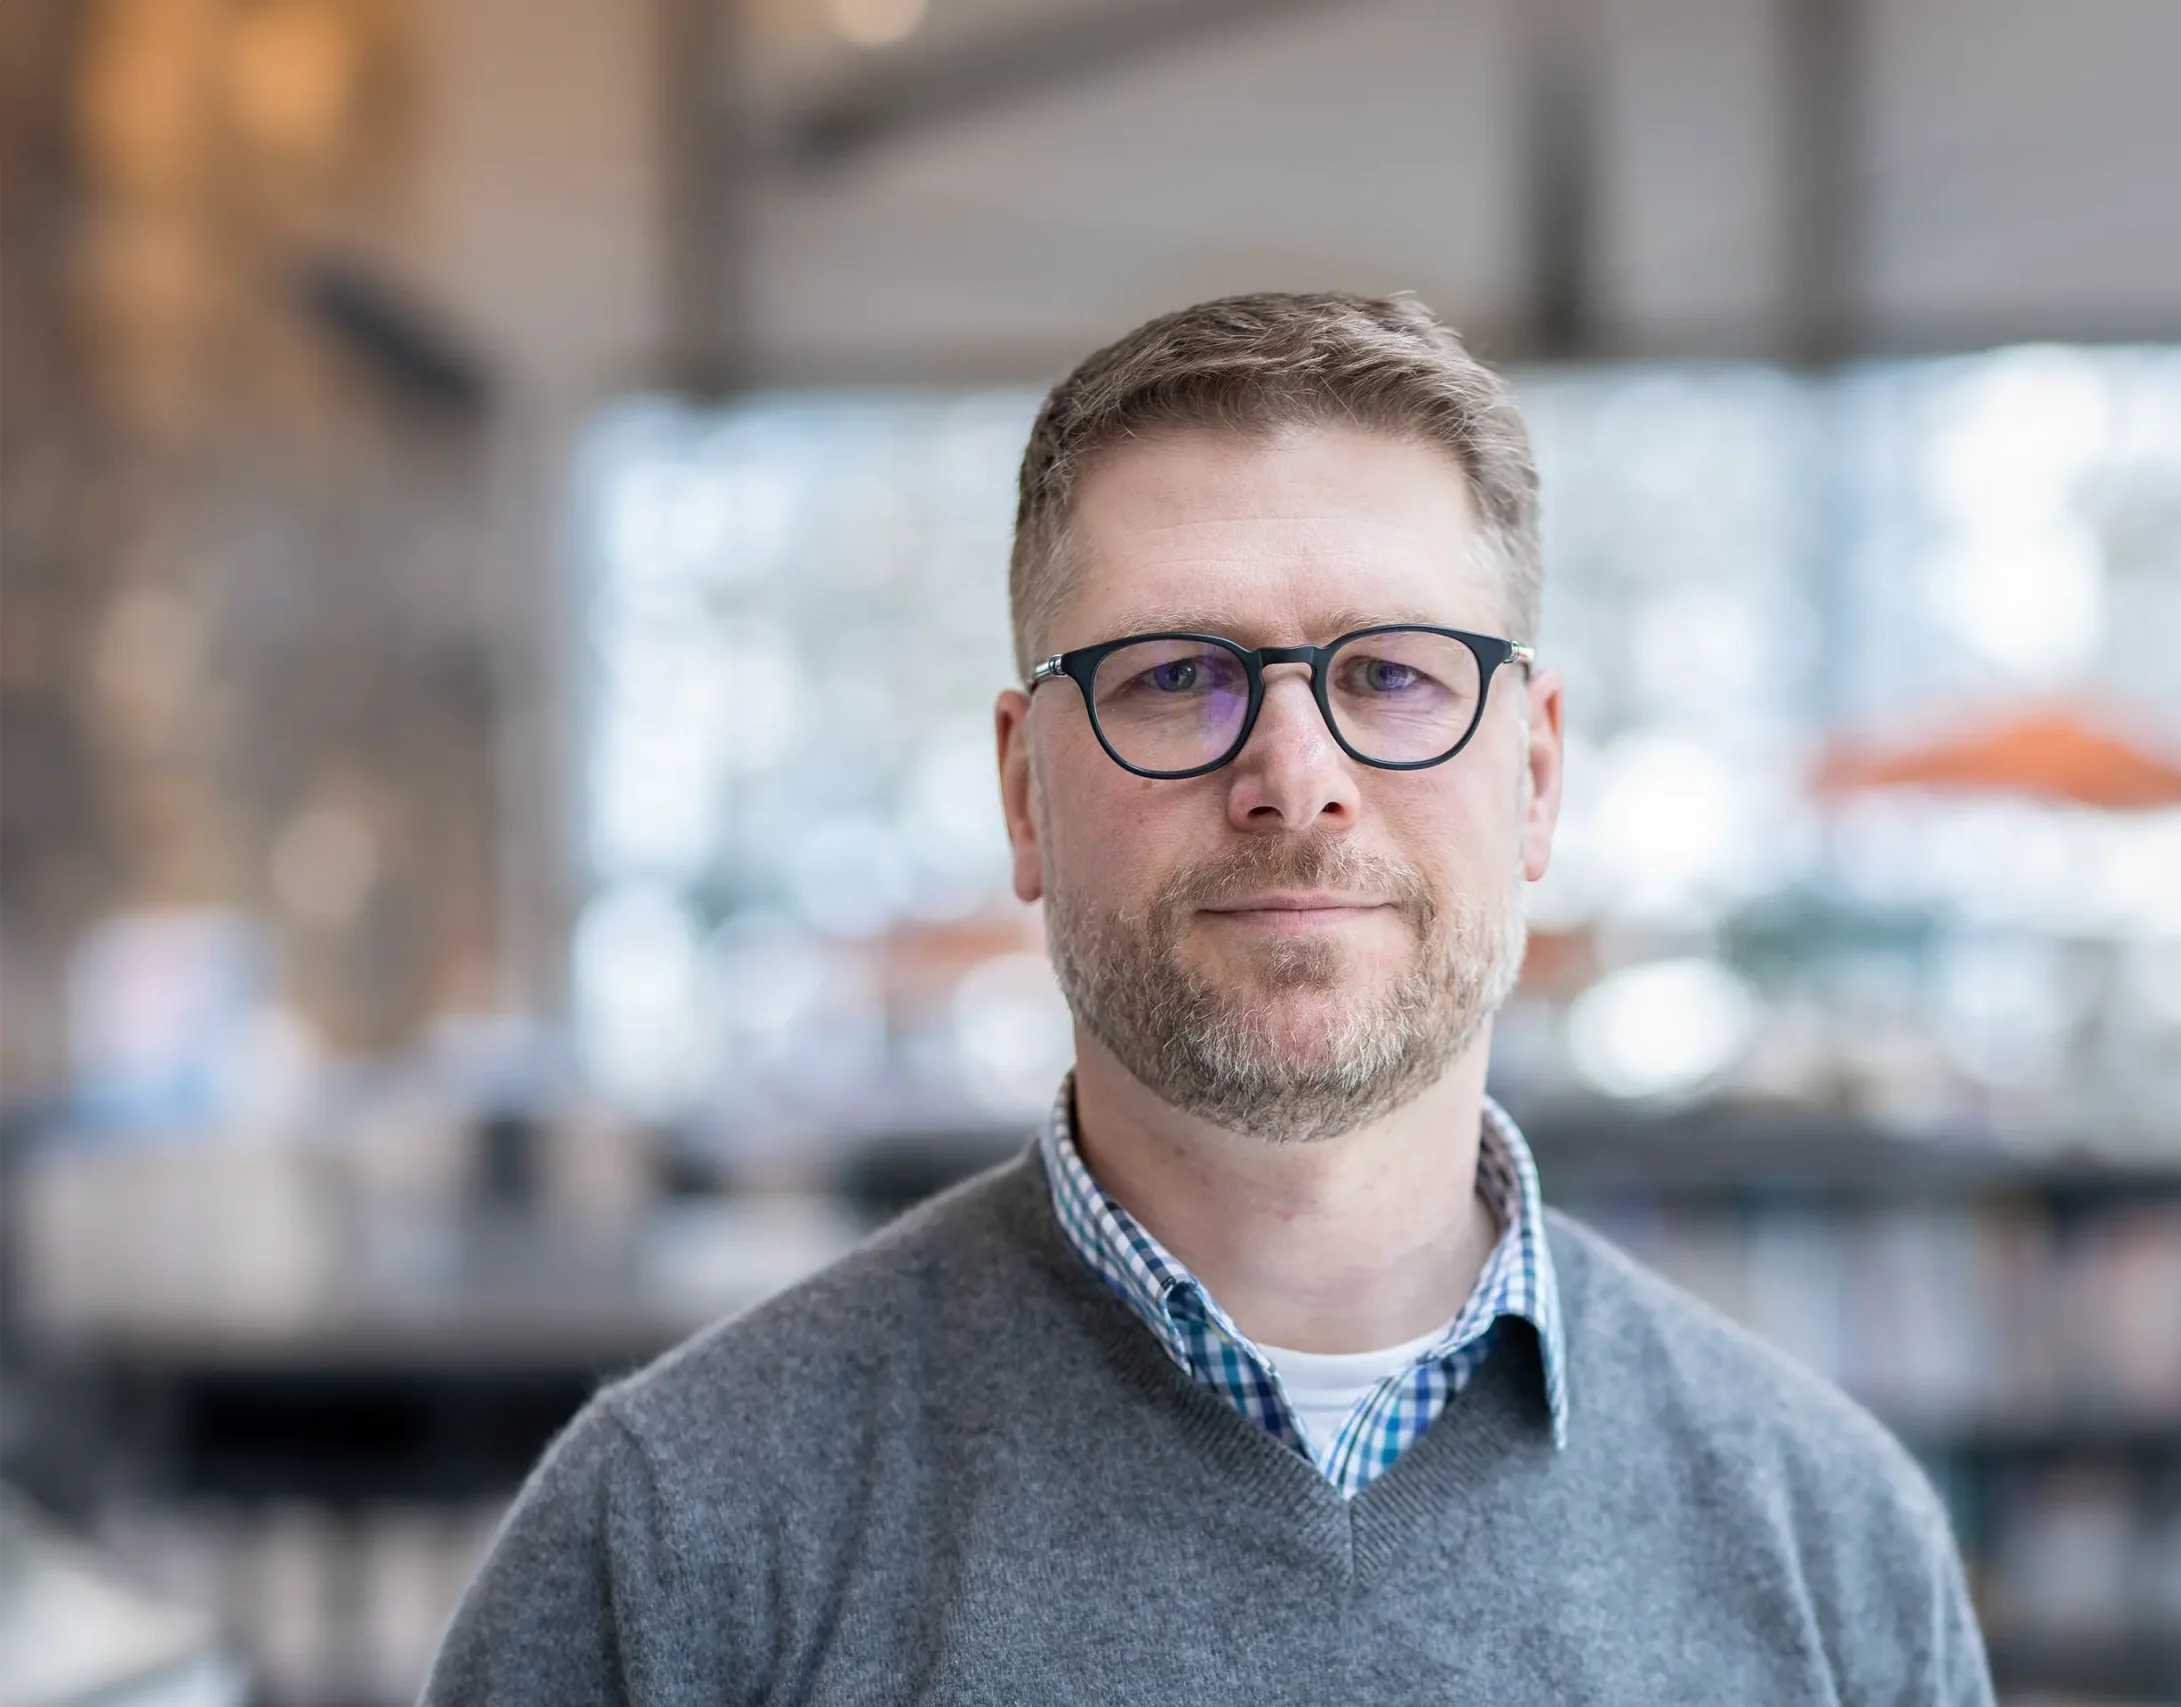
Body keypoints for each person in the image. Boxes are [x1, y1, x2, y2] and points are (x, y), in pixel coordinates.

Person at [423, 292, 1994, 1704]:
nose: (1295, 781)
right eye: (1177, 674)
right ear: (1024, 794)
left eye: (1392, 675)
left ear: (1534, 773)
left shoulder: (1831, 1539)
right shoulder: (678, 1536)